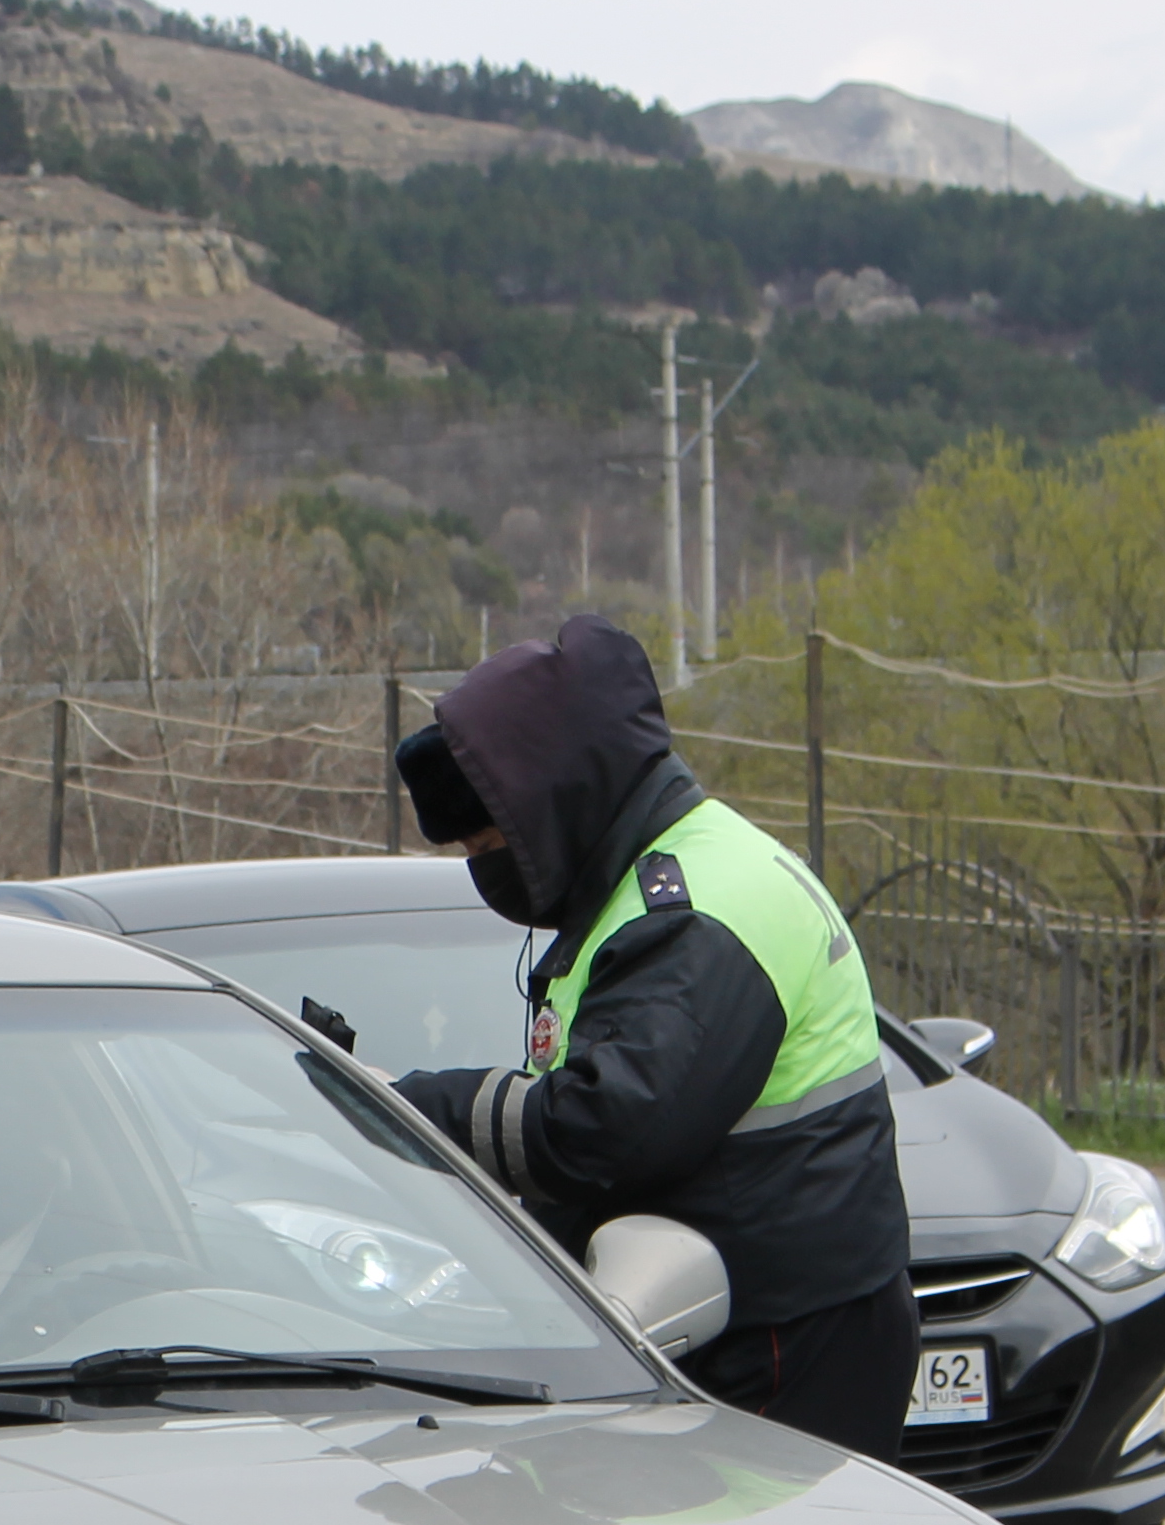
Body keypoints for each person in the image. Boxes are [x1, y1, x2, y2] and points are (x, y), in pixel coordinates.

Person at [382, 612, 918, 1456]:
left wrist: (405, 1110)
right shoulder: (682, 868)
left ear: (558, 800)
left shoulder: (691, 913)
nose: (488, 863)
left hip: (768, 1353)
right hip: (766, 1327)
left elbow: (607, 1126)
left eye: (495, 839)